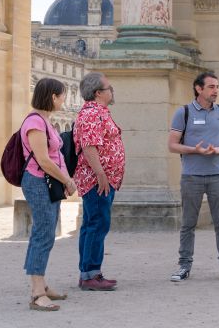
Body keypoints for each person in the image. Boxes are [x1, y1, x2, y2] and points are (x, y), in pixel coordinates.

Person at [168, 71, 219, 282]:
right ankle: (184, 266)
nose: (215, 91)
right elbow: (172, 145)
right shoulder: (183, 112)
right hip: (191, 176)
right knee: (188, 223)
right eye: (211, 87)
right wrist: (194, 150)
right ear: (199, 89)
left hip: (218, 174)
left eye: (217, 87)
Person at [22, 78, 77, 311]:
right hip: (37, 181)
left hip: (47, 182)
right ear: (53, 97)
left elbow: (57, 157)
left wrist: (66, 178)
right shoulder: (35, 123)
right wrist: (66, 179)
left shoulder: (45, 120)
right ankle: (36, 293)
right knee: (42, 234)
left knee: (47, 233)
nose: (64, 99)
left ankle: (41, 286)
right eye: (62, 95)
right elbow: (43, 160)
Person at [74, 72, 126, 291]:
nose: (112, 91)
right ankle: (91, 274)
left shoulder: (99, 112)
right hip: (97, 181)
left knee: (92, 224)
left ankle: (88, 273)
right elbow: (89, 146)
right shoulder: (91, 113)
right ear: (98, 93)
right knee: (97, 224)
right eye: (109, 88)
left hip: (101, 179)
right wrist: (101, 174)